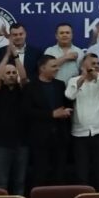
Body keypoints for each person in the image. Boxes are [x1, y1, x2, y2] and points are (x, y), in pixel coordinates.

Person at [23, 56, 73, 186]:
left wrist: (66, 111)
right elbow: (27, 111)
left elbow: (66, 105)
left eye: (57, 66)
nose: (57, 68)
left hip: (60, 137)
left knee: (60, 175)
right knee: (40, 175)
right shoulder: (30, 87)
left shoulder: (60, 85)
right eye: (53, 66)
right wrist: (51, 114)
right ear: (42, 68)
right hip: (40, 138)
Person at [66, 53, 99, 191]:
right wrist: (84, 77)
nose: (96, 66)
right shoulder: (74, 80)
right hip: (79, 134)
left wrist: (95, 74)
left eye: (98, 63)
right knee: (82, 171)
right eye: (93, 63)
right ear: (83, 65)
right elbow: (70, 95)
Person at [0, 60, 29, 195]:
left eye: (14, 73)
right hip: (1, 144)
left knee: (20, 181)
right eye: (8, 73)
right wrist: (7, 55)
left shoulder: (22, 90)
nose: (11, 75)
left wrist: (16, 56)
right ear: (3, 76)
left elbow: (23, 78)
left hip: (21, 143)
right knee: (1, 182)